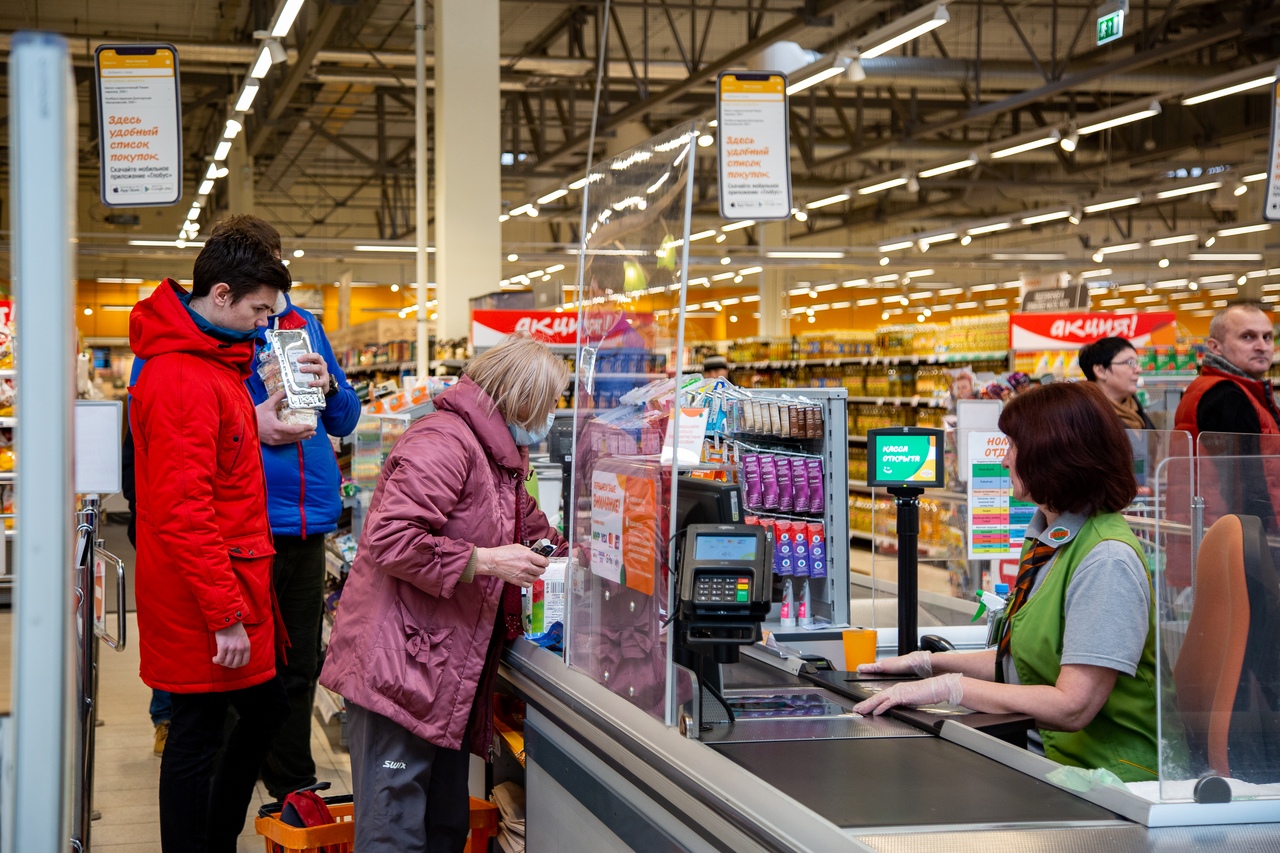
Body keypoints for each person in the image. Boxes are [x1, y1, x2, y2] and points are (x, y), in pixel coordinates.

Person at [319, 333, 570, 852]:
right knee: (393, 828)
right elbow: (392, 539)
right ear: (518, 398)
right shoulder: (443, 441)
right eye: (546, 405)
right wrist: (484, 561)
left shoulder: (498, 459)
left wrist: (592, 559)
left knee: (442, 826)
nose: (548, 418)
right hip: (400, 666)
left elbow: (534, 530)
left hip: (441, 669)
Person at [854, 382, 1160, 782]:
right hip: (1049, 758)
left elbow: (1073, 706)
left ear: (1052, 455)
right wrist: (926, 664)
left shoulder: (1106, 559)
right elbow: (1027, 664)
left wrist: (950, 688)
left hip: (1104, 779)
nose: (1003, 462)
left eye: (1012, 447)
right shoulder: (1049, 541)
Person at [129, 230, 292, 852]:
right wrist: (224, 613)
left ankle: (214, 838)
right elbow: (182, 509)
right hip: (205, 591)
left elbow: (207, 462)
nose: (263, 325)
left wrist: (253, 421)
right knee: (197, 731)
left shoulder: (212, 366)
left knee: (256, 712)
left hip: (226, 579)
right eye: (258, 311)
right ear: (221, 295)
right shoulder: (182, 378)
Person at [224, 216, 362, 800]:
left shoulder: (306, 326)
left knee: (300, 661)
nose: (274, 286)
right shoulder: (225, 333)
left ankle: (291, 777)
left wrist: (329, 385)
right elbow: (208, 425)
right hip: (248, 520)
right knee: (242, 662)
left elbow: (347, 419)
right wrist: (255, 426)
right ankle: (232, 773)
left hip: (309, 521)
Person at [1174, 303, 1279, 441]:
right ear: (1216, 347)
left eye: (1267, 337)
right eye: (1247, 336)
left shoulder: (1215, 387)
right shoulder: (1228, 397)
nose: (1262, 347)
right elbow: (1243, 462)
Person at [1078, 336, 1155, 430]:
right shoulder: (1082, 417)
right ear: (1100, 371)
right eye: (1130, 363)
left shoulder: (1136, 410)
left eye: (1137, 363)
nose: (1138, 370)